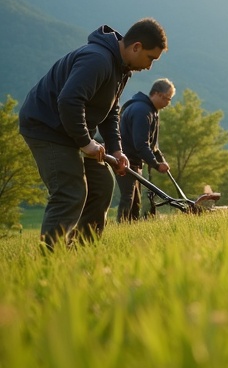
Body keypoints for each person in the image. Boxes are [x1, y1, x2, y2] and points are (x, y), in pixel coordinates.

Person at [18, 19, 168, 250]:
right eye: (150, 58)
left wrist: (116, 149)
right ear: (136, 47)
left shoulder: (121, 68)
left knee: (102, 186)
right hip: (46, 127)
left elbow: (110, 111)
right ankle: (51, 261)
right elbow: (69, 101)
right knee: (70, 192)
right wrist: (86, 143)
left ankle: (83, 251)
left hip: (72, 130)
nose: (149, 67)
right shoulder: (97, 59)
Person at [116, 78, 175, 222]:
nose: (168, 103)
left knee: (135, 200)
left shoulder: (152, 111)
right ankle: (122, 229)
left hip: (135, 162)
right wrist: (155, 164)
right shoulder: (142, 111)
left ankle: (132, 229)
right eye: (167, 99)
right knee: (128, 197)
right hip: (126, 160)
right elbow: (141, 144)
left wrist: (161, 160)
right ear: (157, 94)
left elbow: (153, 144)